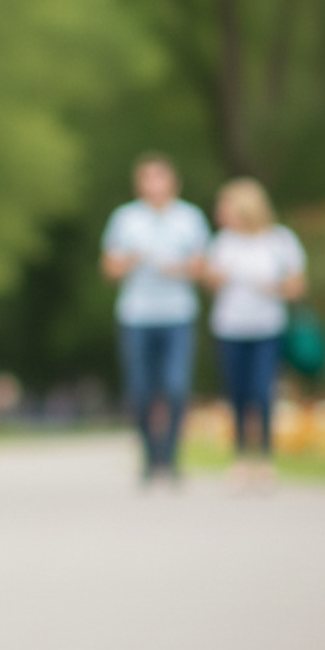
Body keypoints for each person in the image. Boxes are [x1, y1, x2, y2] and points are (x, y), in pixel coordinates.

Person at [100, 154, 211, 483]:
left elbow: (205, 268)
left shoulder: (190, 218)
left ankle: (171, 456)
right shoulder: (126, 219)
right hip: (137, 315)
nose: (154, 186)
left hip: (178, 314)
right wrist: (132, 259)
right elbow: (109, 269)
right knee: (141, 391)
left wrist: (179, 268)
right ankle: (150, 457)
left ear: (173, 183)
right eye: (148, 179)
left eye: (160, 178)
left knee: (176, 387)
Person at [203, 177, 307, 490]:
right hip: (230, 328)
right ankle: (239, 458)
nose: (220, 213)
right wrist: (215, 276)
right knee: (237, 394)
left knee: (262, 393)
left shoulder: (280, 240)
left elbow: (297, 287)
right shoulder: (224, 242)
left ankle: (264, 458)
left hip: (267, 328)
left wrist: (273, 287)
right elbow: (211, 284)